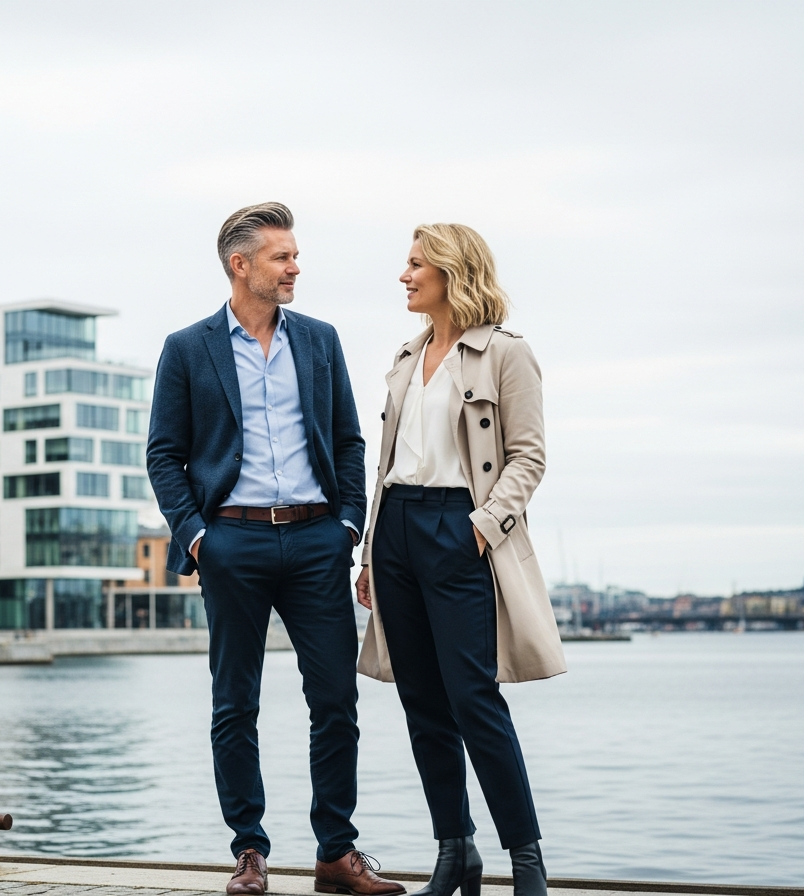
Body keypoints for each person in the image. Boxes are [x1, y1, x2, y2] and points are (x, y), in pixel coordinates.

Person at [148, 202, 403, 896]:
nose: (295, 267)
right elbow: (164, 455)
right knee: (235, 703)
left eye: (294, 256)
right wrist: (199, 539)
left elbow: (349, 441)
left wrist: (347, 526)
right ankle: (250, 853)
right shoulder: (188, 347)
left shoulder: (319, 341)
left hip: (318, 539)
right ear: (241, 265)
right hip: (232, 541)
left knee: (336, 702)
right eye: (282, 257)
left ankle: (336, 854)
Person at [355, 225, 566, 896]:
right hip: (395, 532)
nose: (404, 276)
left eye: (415, 264)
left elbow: (528, 455)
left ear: (451, 271)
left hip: (459, 528)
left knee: (475, 699)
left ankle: (527, 864)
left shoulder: (507, 354)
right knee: (421, 701)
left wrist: (483, 527)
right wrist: (368, 551)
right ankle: (457, 855)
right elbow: (384, 464)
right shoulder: (406, 356)